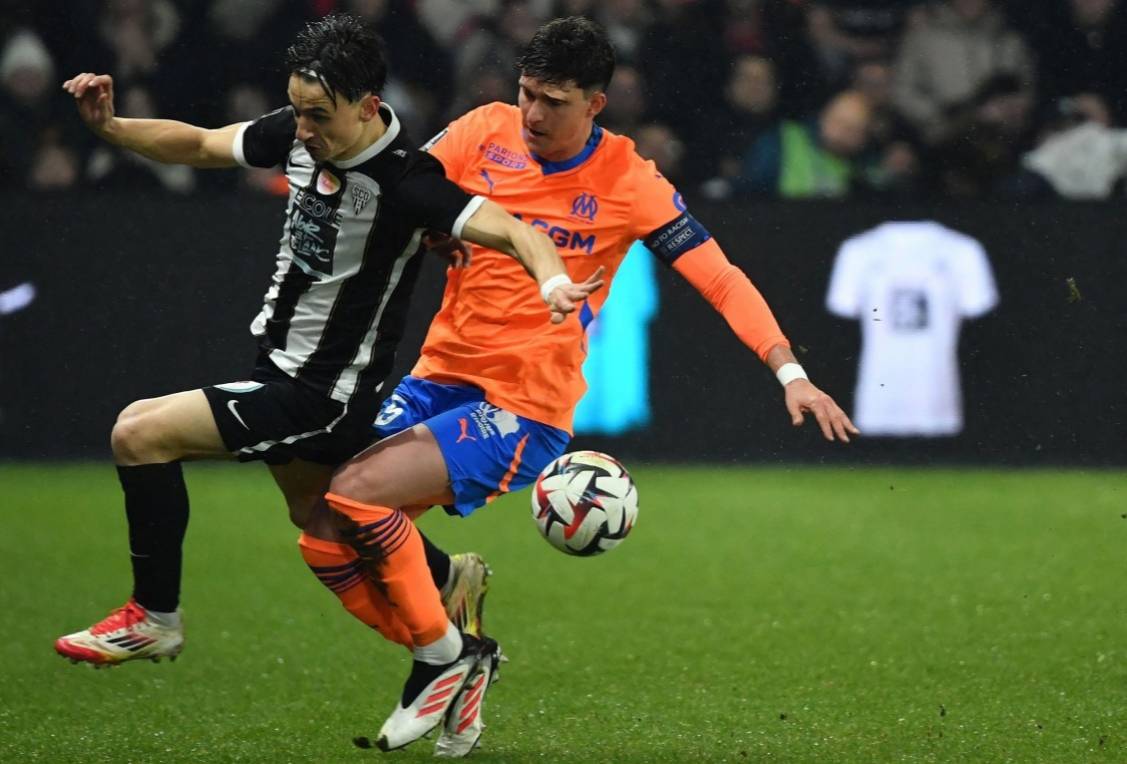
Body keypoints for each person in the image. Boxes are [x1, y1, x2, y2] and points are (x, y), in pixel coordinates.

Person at [297, 15, 860, 757]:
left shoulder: (629, 180)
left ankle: (444, 657)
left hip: (521, 409)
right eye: (527, 94)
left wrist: (790, 372)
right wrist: (429, 224)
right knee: (320, 531)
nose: (532, 114)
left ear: (596, 103)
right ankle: (458, 631)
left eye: (554, 102)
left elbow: (720, 278)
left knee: (357, 494)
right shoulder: (482, 130)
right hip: (437, 377)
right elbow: (406, 186)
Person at [53, 12, 601, 700]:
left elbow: (516, 232)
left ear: (368, 107)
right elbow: (200, 142)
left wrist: (550, 281)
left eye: (318, 115)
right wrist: (111, 127)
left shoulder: (407, 180)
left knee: (138, 433)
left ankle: (155, 616)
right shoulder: (301, 130)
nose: (304, 129)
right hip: (282, 368)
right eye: (298, 110)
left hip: (320, 394)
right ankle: (449, 585)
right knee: (317, 518)